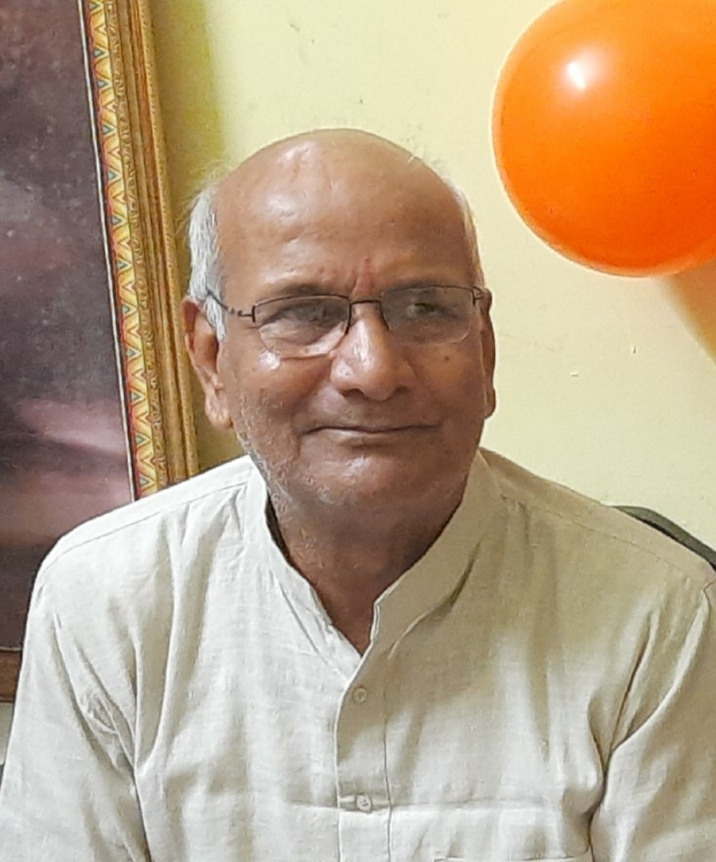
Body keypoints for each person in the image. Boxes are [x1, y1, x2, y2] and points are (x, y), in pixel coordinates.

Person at [0, 129, 714, 861]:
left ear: (484, 349)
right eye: (304, 312)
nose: (373, 370)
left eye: (425, 307)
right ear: (212, 360)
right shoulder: (108, 601)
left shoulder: (654, 614)